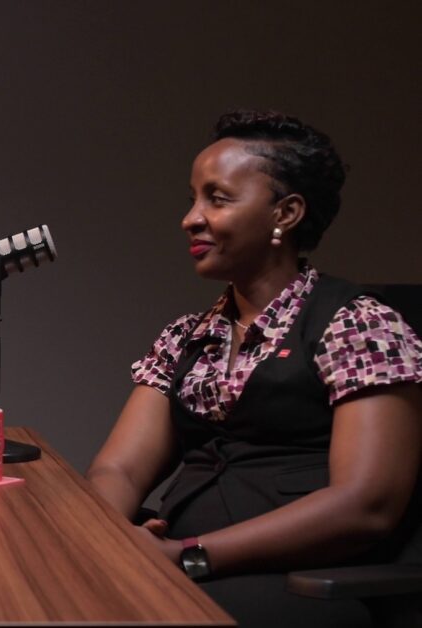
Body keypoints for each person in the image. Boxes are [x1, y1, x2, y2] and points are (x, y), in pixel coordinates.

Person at [86, 110, 422, 627]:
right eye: (193, 198)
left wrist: (189, 555)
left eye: (217, 198)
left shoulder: (358, 325)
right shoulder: (186, 337)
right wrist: (109, 540)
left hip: (299, 583)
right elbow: (120, 469)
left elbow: (365, 506)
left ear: (285, 214)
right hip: (180, 565)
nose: (191, 218)